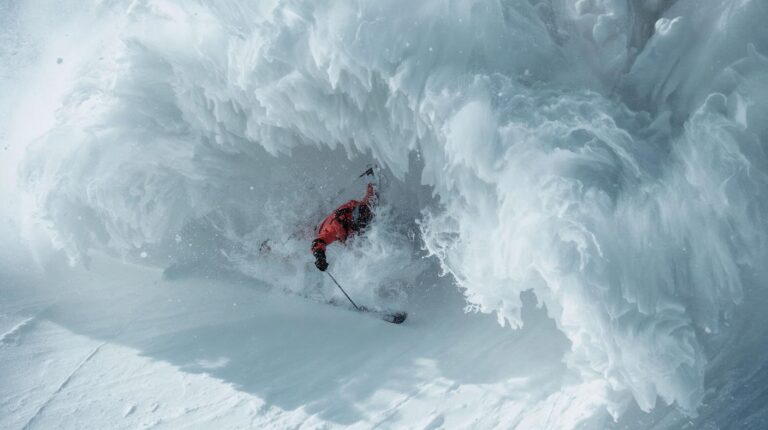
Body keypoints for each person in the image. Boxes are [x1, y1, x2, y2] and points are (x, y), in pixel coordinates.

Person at [311, 183, 377, 271]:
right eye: (360, 225)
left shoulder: (360, 207)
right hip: (320, 229)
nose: (362, 227)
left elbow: (370, 194)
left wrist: (372, 185)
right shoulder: (334, 228)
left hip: (344, 225)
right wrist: (320, 257)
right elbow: (318, 242)